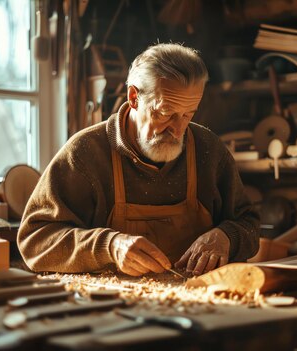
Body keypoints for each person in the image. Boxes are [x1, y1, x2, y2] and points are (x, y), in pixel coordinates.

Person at [18, 43, 259, 277]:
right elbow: (34, 242)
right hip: (111, 309)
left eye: (188, 115)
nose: (177, 130)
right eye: (165, 114)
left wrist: (227, 236)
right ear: (133, 97)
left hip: (200, 304)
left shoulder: (209, 151)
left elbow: (248, 224)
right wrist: (109, 246)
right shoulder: (85, 154)